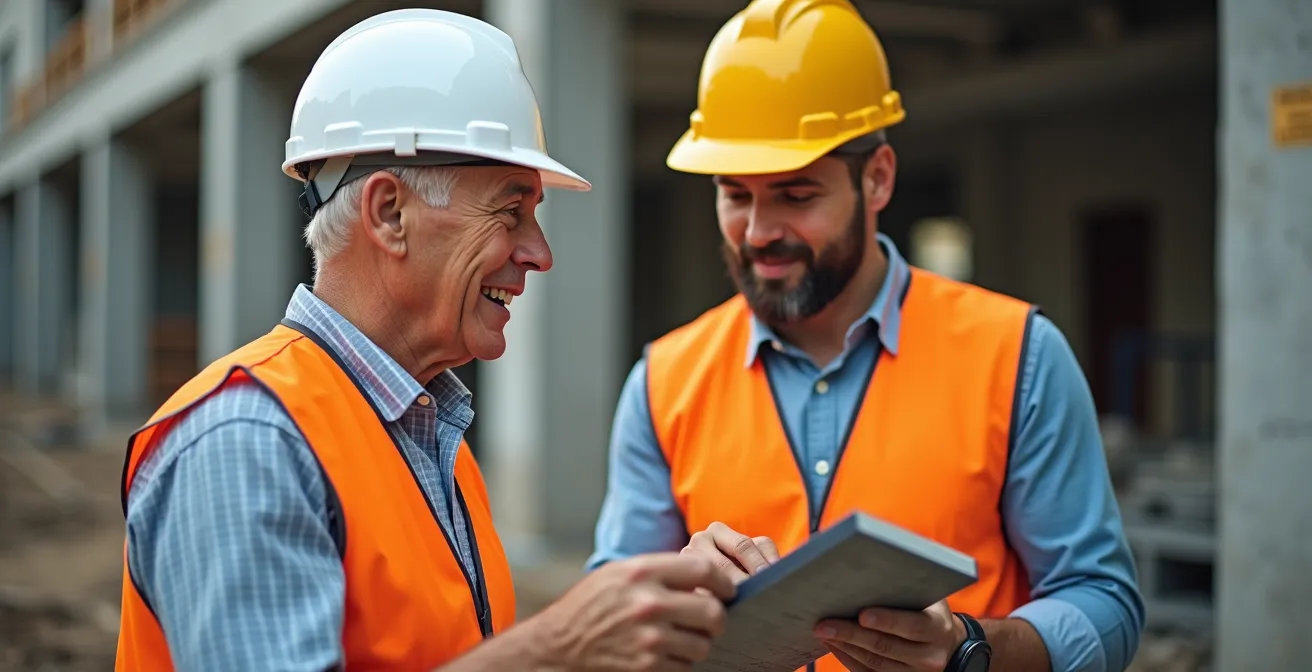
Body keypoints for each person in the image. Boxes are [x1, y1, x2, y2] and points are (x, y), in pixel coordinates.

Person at [115, 9, 732, 672]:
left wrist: (646, 614)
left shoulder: (429, 434)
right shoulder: (244, 443)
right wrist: (560, 649)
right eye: (510, 209)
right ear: (389, 214)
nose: (539, 252)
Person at [588, 1, 1146, 671]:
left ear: (877, 176)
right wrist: (664, 595)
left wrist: (968, 649)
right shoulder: (664, 380)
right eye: (735, 194)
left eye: (796, 196)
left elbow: (1103, 601)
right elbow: (605, 619)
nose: (760, 231)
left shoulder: (1018, 356)